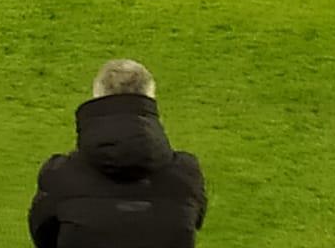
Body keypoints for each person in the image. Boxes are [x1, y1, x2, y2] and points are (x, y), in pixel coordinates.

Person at [29, 60, 206, 248]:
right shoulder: (186, 173)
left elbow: (43, 235)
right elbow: (194, 221)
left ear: (97, 98)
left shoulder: (59, 174)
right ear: (150, 100)